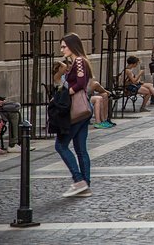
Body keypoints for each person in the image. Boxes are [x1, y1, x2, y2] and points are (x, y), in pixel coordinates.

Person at [55, 33, 93, 197]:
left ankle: (78, 181)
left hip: (77, 109)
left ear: (72, 45)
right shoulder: (79, 61)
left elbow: (80, 83)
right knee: (80, 149)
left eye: (64, 46)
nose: (61, 49)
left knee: (60, 145)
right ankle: (85, 186)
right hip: (83, 109)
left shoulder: (78, 61)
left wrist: (65, 94)